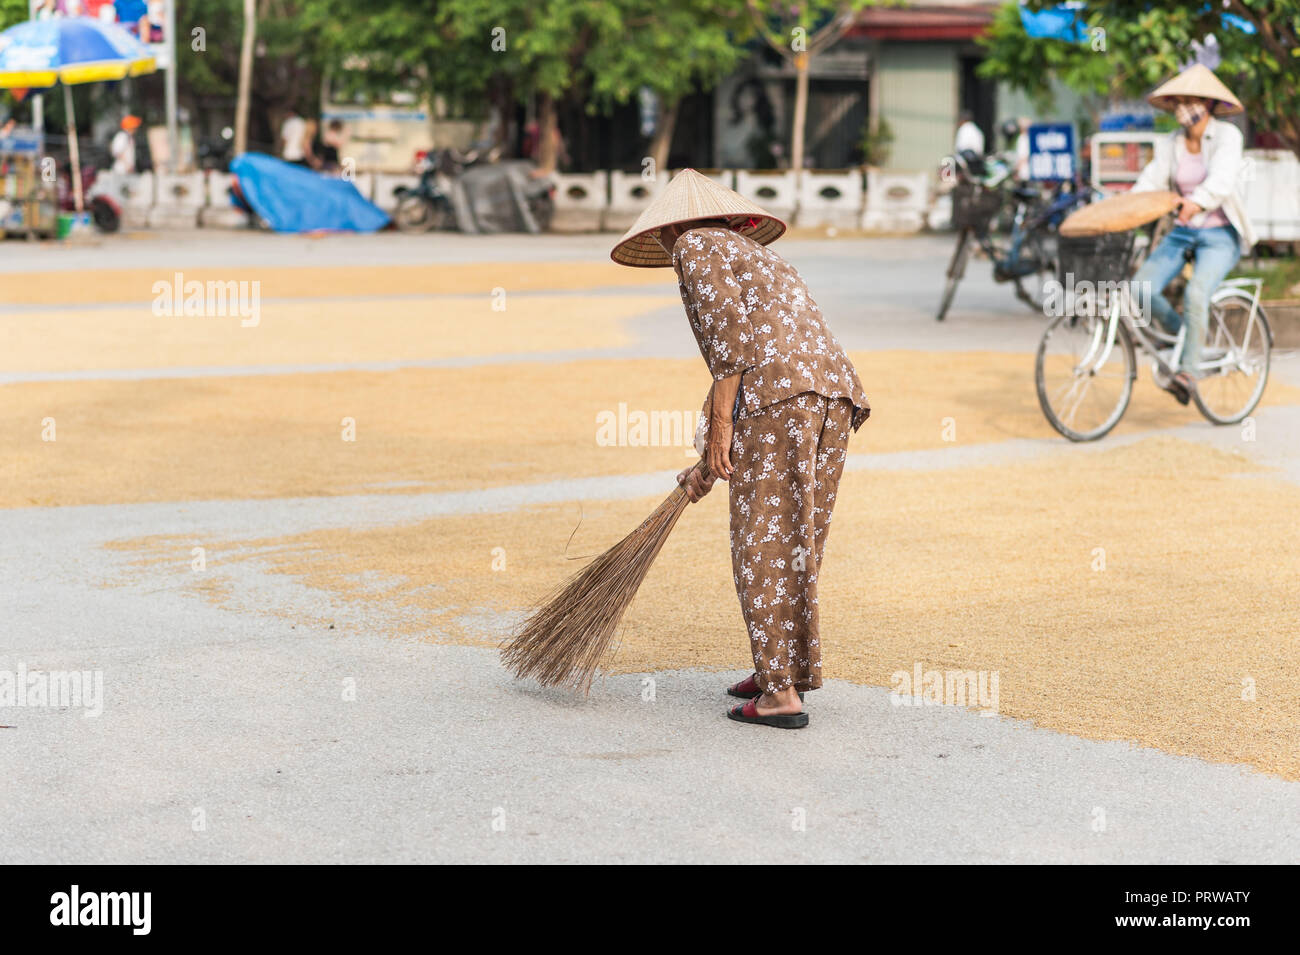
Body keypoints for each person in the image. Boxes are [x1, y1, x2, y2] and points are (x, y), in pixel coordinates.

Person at [609, 170, 871, 730]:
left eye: (662, 235)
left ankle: (780, 695)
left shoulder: (694, 245)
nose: (664, 245)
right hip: (832, 397)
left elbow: (730, 346)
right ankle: (779, 668)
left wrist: (725, 423)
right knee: (795, 538)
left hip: (778, 398)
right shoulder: (752, 254)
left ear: (671, 226)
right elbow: (750, 353)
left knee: (762, 539)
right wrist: (711, 454)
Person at [1130, 64, 1256, 402]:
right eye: (1178, 102)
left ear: (1208, 104)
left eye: (1191, 101)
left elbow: (1222, 179)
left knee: (1196, 294)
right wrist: (1124, 206)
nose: (1183, 108)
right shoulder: (1170, 143)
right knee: (1140, 289)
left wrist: (1196, 202)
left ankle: (1188, 372)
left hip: (1220, 235)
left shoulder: (1228, 136)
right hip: (1182, 232)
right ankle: (1186, 337)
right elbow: (1151, 180)